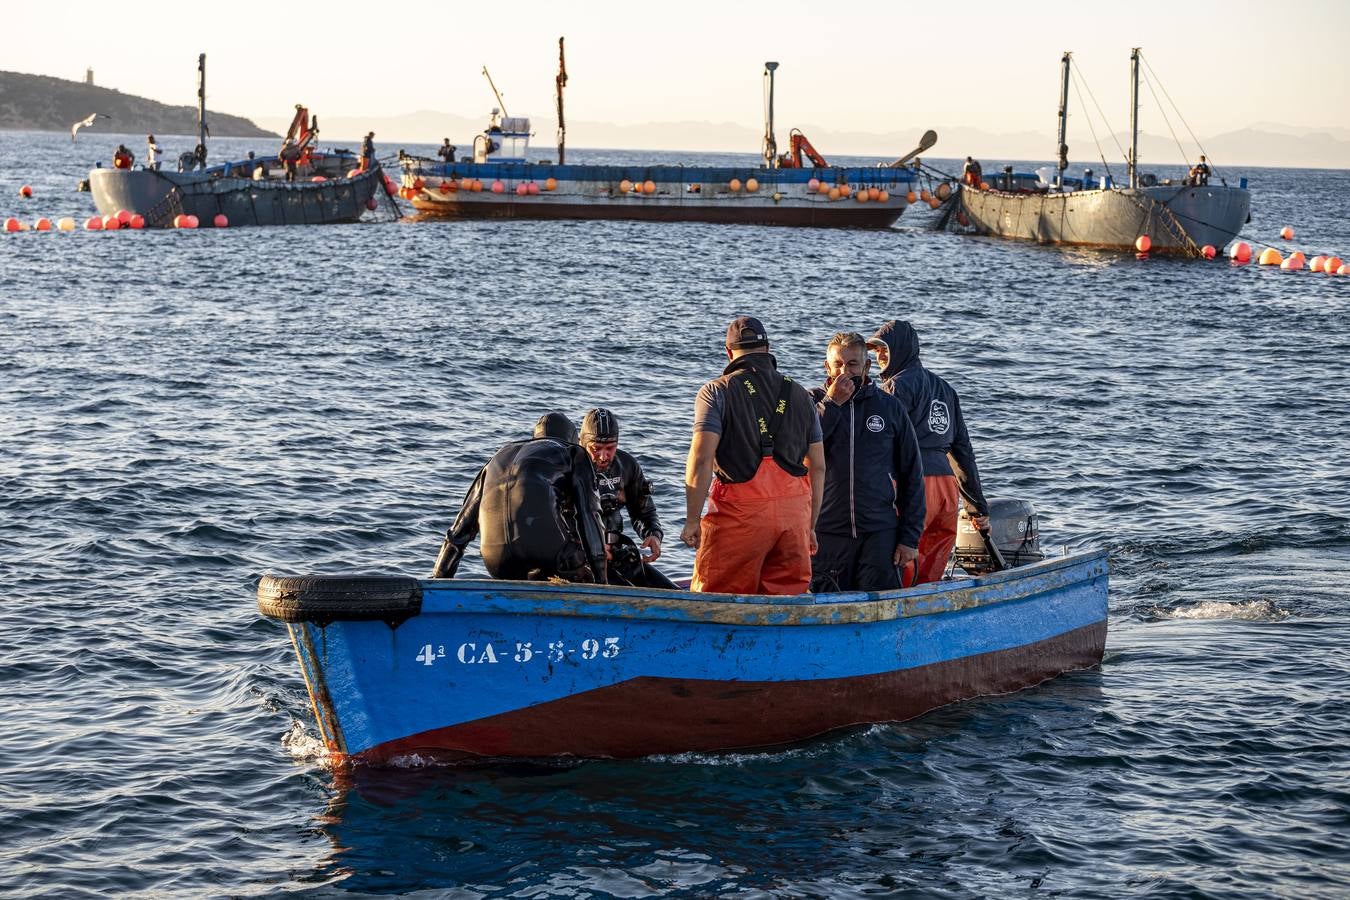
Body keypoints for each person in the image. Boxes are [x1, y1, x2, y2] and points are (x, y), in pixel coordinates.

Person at [681, 316, 825, 595]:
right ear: (768, 350)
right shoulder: (800, 394)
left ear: (728, 352)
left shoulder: (715, 392)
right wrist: (810, 526)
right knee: (787, 602)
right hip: (793, 518)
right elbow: (817, 467)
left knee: (717, 600)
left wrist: (691, 519)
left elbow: (701, 458)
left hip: (740, 519)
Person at [868, 321, 989, 586]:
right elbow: (963, 452)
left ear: (901, 348)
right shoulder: (947, 389)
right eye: (876, 352)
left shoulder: (895, 388)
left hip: (913, 484)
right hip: (947, 489)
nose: (880, 357)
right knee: (931, 566)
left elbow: (880, 443)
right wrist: (976, 507)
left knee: (901, 560)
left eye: (884, 349)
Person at [809, 332, 926, 593]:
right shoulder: (811, 403)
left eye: (852, 364)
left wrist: (910, 537)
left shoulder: (889, 407)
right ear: (827, 367)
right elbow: (798, 449)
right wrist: (832, 403)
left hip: (879, 532)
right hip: (827, 532)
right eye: (838, 364)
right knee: (827, 612)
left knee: (881, 609)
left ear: (866, 366)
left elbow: (912, 474)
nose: (844, 370)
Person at [432, 412, 608, 583]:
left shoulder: (497, 457)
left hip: (496, 562)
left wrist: (439, 578)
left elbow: (459, 531)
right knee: (584, 573)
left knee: (533, 572)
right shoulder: (574, 452)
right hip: (550, 555)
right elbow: (589, 516)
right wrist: (601, 581)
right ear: (571, 438)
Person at [578, 408, 676, 589]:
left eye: (610, 448)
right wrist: (590, 550)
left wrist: (653, 534)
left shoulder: (626, 466)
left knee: (673, 594)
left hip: (616, 554)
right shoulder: (572, 469)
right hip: (583, 559)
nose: (603, 456)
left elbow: (644, 511)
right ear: (582, 443)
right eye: (596, 448)